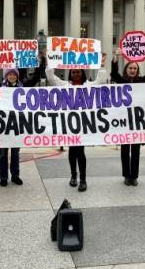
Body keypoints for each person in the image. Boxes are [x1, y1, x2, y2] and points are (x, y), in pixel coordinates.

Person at [45, 54, 108, 192]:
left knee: (80, 151)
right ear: (70, 74)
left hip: (83, 124)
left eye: (78, 71)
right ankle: (73, 176)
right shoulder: (65, 85)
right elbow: (51, 78)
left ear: (82, 73)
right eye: (73, 72)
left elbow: (101, 80)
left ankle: (83, 180)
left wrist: (102, 65)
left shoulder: (89, 86)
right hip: (69, 124)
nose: (76, 74)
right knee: (72, 151)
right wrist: (49, 63)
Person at [0, 64, 41, 187]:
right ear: (6, 76)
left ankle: (15, 176)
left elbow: (35, 79)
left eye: (14, 74)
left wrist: (41, 63)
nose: (12, 76)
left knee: (15, 153)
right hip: (3, 125)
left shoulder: (23, 86)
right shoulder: (0, 87)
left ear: (17, 76)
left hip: (17, 125)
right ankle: (3, 177)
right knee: (3, 154)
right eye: (10, 74)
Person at [111, 48, 145, 186]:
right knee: (125, 150)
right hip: (124, 120)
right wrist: (115, 57)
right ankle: (126, 175)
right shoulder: (121, 81)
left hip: (137, 121)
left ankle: (134, 176)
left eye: (135, 68)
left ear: (137, 70)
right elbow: (113, 73)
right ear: (127, 69)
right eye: (130, 67)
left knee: (136, 150)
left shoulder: (142, 81)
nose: (132, 70)